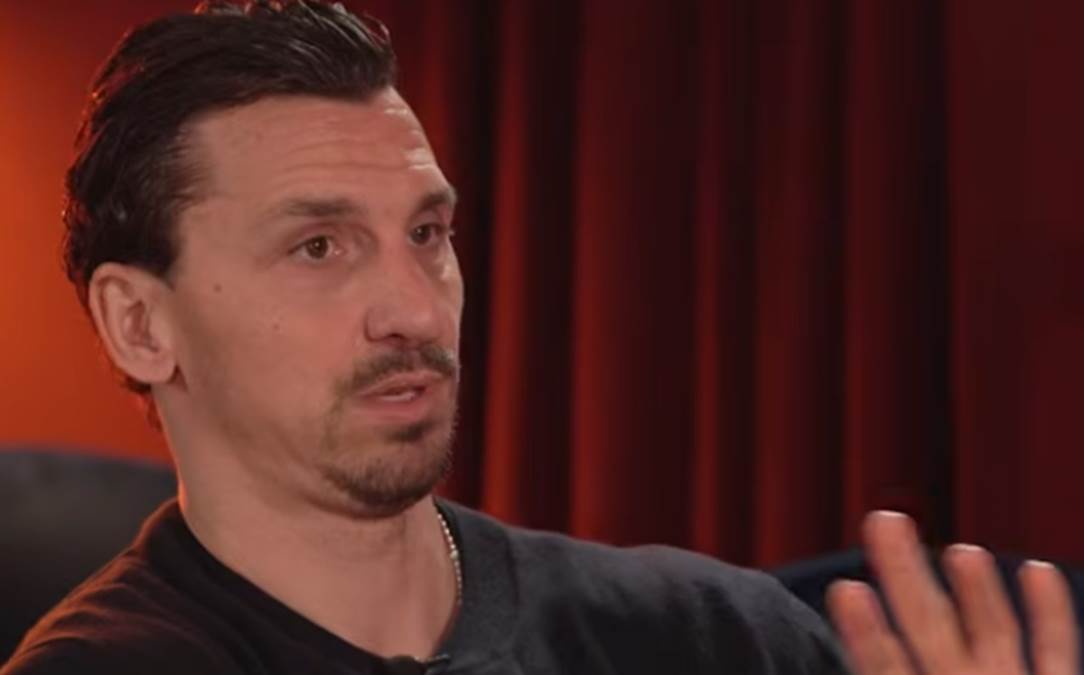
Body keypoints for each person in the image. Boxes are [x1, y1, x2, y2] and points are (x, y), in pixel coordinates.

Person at [0, 2, 1076, 674]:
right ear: (140, 323)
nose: (416, 310)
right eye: (318, 246)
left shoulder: (710, 634)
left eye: (428, 235)